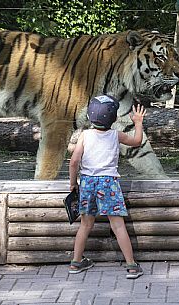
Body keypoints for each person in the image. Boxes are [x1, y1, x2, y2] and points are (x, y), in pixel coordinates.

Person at [68, 95, 145, 279]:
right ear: (115, 118)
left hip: (87, 182)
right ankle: (131, 265)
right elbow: (136, 141)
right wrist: (138, 122)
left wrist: (73, 183)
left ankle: (76, 262)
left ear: (89, 116)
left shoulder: (85, 136)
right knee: (118, 225)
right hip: (108, 183)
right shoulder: (116, 135)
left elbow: (74, 162)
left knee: (85, 224)